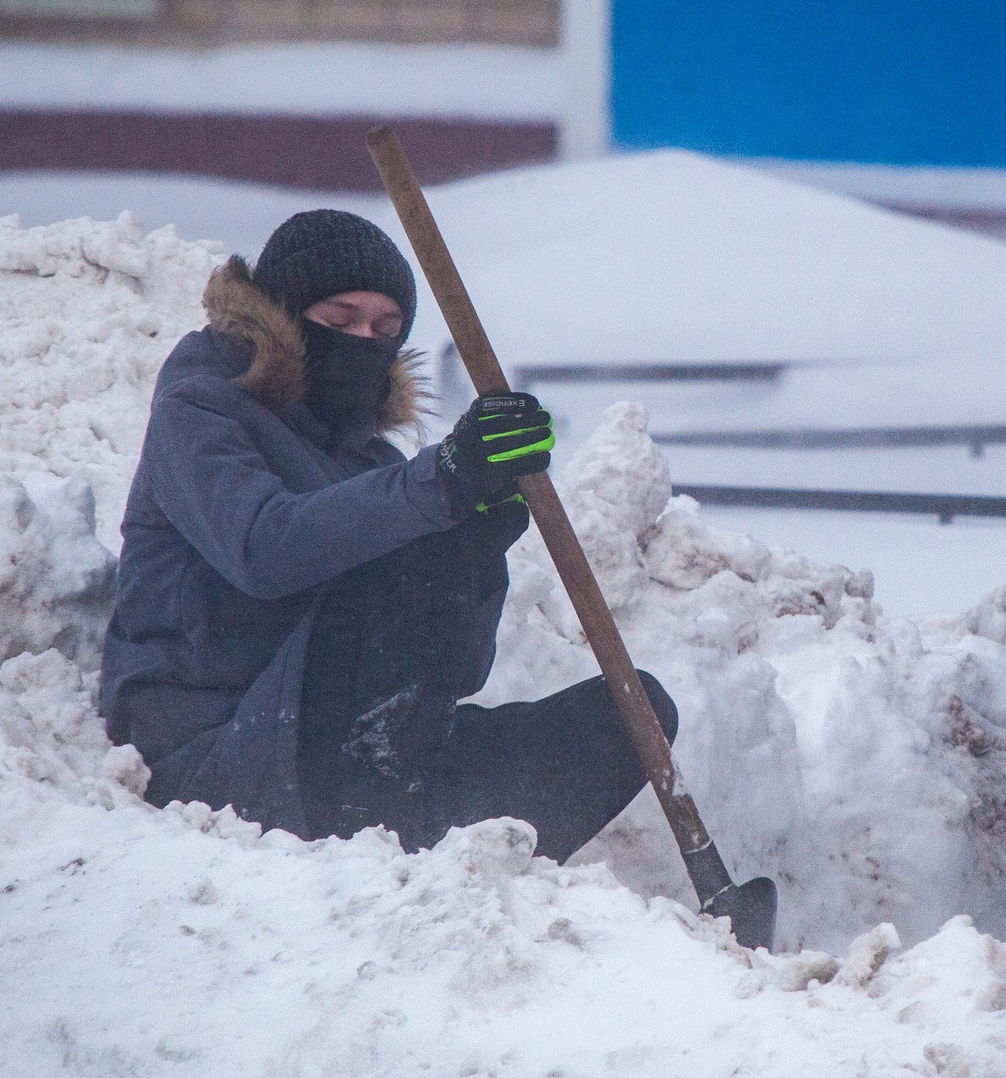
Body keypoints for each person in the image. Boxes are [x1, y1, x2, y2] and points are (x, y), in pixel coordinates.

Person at [99, 210, 668, 858]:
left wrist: (471, 543)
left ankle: (451, 867)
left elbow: (457, 673)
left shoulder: (374, 465)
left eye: (385, 329)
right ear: (279, 315)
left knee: (635, 718)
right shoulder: (199, 409)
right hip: (217, 762)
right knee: (391, 556)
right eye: (339, 322)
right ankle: (386, 840)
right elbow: (264, 548)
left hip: (353, 765)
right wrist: (440, 487)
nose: (362, 341)